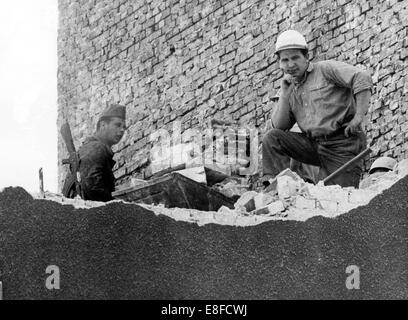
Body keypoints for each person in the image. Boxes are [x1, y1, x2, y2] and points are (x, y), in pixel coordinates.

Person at [262, 30, 372, 188]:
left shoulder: (326, 70)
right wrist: (285, 95)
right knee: (272, 138)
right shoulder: (288, 87)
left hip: (343, 144)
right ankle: (276, 187)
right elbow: (279, 127)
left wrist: (359, 117)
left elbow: (361, 77)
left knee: (337, 197)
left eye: (295, 58)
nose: (290, 65)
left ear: (306, 57)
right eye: (285, 60)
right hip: (314, 144)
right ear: (279, 63)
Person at [78, 104, 126, 202]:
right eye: (117, 125)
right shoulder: (96, 147)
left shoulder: (94, 147)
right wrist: (116, 205)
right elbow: (92, 186)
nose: (122, 130)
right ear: (103, 125)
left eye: (124, 127)